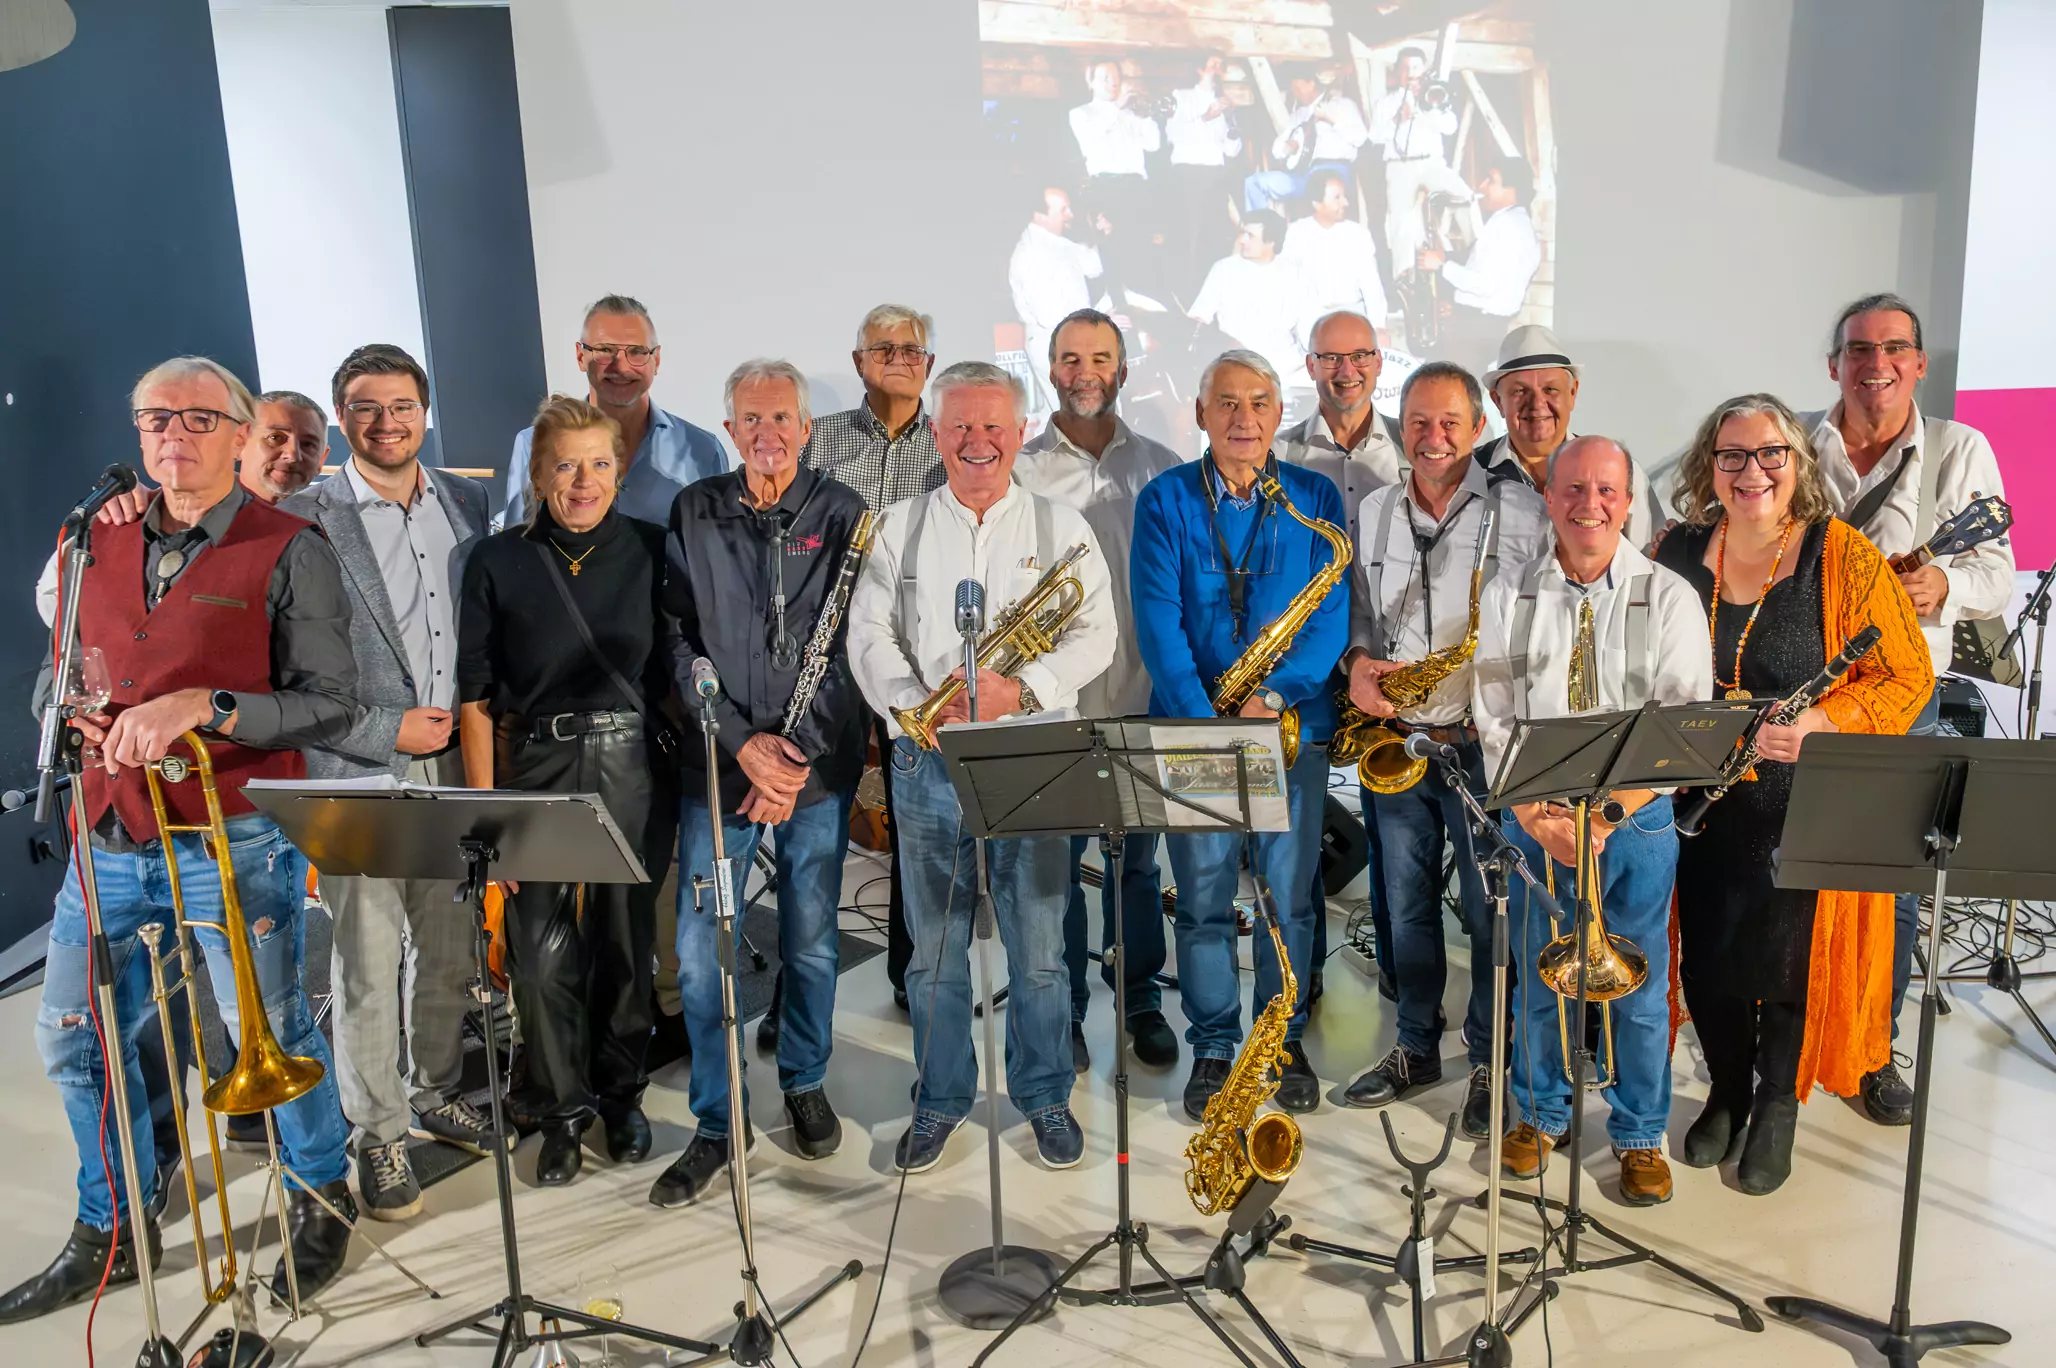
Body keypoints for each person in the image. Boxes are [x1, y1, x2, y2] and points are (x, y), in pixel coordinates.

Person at [0, 358, 360, 1324]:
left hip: (234, 840)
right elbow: (54, 673)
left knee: (271, 1035)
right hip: (108, 836)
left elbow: (331, 705)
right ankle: (108, 1231)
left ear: (242, 436)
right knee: (72, 1038)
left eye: (200, 418)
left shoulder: (292, 545)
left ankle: (325, 1196)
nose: (174, 433)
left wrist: (213, 703)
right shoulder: (88, 543)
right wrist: (65, 712)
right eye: (156, 416)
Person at [1653, 393, 1930, 1195]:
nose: (1752, 471)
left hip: (1801, 807)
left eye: (1770, 453)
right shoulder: (1674, 549)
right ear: (1710, 465)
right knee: (1706, 955)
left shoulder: (1839, 555)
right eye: (1733, 455)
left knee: (1786, 960)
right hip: (1694, 802)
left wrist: (1827, 720)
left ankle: (1778, 1104)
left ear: (1798, 464)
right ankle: (1729, 1092)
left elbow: (1907, 672)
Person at [846, 361, 1116, 1173]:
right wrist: (913, 705)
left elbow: (1094, 635)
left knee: (1039, 950)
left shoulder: (1061, 525)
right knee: (933, 952)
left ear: (1021, 431)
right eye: (960, 426)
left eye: (994, 426)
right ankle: (940, 1099)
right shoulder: (896, 526)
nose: (977, 442)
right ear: (935, 434)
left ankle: (1043, 1096)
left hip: (1030, 755)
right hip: (929, 759)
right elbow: (867, 635)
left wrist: (1020, 690)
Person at [281, 344, 497, 1221]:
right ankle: (378, 1135)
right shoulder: (304, 517)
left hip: (453, 761)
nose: (387, 422)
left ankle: (435, 1084)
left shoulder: (466, 500)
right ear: (343, 419)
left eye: (402, 404)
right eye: (367, 407)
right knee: (368, 960)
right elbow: (290, 673)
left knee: (448, 944)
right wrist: (382, 730)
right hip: (357, 768)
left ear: (425, 410)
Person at [648, 361, 868, 1205]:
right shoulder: (693, 509)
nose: (767, 432)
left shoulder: (845, 512)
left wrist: (794, 755)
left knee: (812, 940)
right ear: (731, 428)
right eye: (750, 418)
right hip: (718, 765)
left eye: (782, 417)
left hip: (812, 773)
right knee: (704, 959)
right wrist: (742, 746)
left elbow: (856, 644)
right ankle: (716, 1119)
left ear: (806, 428)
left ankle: (804, 1082)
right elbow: (676, 640)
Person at [1472, 437, 1713, 1206]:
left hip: (1633, 824)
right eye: (1573, 488)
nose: (1590, 504)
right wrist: (1541, 821)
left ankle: (1640, 1133)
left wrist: (1605, 815)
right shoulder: (1508, 593)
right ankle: (1540, 1115)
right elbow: (1492, 716)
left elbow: (1681, 724)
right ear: (1549, 498)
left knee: (1639, 986)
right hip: (1535, 818)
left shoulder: (1670, 596)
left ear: (1629, 503)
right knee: (1539, 976)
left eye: (1606, 490)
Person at [1801, 293, 2015, 1128]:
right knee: (1786, 873)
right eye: (1858, 348)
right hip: (1800, 696)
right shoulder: (1797, 447)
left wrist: (1945, 585)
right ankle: (1778, 1034)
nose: (1876, 363)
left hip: (1900, 701)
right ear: (1834, 365)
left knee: (1887, 887)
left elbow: (1996, 570)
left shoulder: (1960, 450)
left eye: (1894, 348)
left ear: (1920, 363)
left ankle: (1871, 1049)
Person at [457, 395, 678, 1187]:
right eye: (566, 465)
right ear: (538, 471)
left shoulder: (652, 549)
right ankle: (559, 1109)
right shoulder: (495, 560)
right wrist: (486, 816)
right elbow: (475, 697)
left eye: (599, 464)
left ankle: (622, 1095)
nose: (583, 481)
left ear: (619, 470)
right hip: (534, 769)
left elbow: (672, 674)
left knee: (627, 943)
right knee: (541, 952)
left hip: (628, 766)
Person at [1131, 348, 1345, 1123]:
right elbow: (1158, 621)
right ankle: (1217, 1043)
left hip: (1291, 730)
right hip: (1196, 731)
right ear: (1199, 413)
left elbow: (1331, 617)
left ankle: (1280, 1038)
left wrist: (1279, 694)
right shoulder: (1163, 500)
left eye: (1259, 402)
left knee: (1291, 902)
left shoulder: (1314, 497)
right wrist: (1207, 719)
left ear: (1277, 415)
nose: (1243, 418)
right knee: (1203, 903)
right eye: (1226, 402)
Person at [1341, 361, 1549, 1139]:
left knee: (1493, 917)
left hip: (1482, 745)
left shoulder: (1522, 513)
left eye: (1450, 424)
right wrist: (1359, 666)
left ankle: (1492, 1059)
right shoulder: (1379, 512)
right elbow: (1363, 614)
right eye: (1419, 423)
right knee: (1405, 906)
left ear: (1477, 429)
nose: (1433, 439)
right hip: (1403, 743)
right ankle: (1415, 1048)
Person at [1014, 310, 1183, 1075]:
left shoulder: (1162, 466)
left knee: (1139, 866)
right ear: (1051, 370)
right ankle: (1071, 1010)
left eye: (1102, 358)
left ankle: (1140, 998)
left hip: (1143, 694)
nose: (1086, 371)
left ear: (1124, 370)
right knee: (1059, 868)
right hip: (1059, 704)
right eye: (1071, 358)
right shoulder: (1020, 472)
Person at [803, 304, 948, 1012]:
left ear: (930, 362)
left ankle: (910, 976)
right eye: (882, 347)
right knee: (817, 837)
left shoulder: (951, 441)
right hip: (826, 662)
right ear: (858, 361)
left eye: (911, 348)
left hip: (916, 666)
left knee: (916, 833)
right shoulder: (818, 440)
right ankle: (806, 995)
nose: (897, 357)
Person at [1276, 310, 1406, 999]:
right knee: (1299, 834)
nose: (1345, 370)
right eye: (1330, 357)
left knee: (1394, 825)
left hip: (1384, 664)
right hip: (1304, 662)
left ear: (1380, 363)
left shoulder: (1409, 454)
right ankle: (1307, 974)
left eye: (1359, 356)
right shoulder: (1283, 454)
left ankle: (1396, 963)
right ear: (1310, 366)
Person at [36, 389, 331, 626]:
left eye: (309, 444)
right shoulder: (151, 512)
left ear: (323, 458)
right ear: (238, 442)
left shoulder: (330, 526)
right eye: (275, 437)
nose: (292, 454)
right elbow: (55, 595)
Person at [502, 294, 727, 526]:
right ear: (581, 356)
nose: (621, 366)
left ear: (656, 360)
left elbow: (714, 550)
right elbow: (516, 545)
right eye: (605, 349)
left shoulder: (703, 451)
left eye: (637, 351)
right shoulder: (532, 443)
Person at [1475, 326, 1666, 548]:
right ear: (1497, 401)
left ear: (1573, 393)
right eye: (1520, 391)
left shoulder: (1620, 471)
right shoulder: (1469, 474)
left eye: (1550, 390)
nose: (1537, 404)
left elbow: (1650, 563)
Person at [1419, 157, 1541, 371]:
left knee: (1434, 387)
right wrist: (1459, 307)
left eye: (1490, 181)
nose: (1482, 186)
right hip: (1479, 325)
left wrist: (1440, 265)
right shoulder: (1513, 222)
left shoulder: (1506, 226)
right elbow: (1491, 283)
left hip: (1475, 332)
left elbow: (1485, 285)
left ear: (1511, 189)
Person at [1189, 211, 1317, 406]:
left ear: (1271, 242)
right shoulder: (1223, 270)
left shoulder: (1295, 275)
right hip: (1235, 369)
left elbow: (1311, 331)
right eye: (1242, 233)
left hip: (1286, 373)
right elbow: (1199, 318)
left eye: (1250, 236)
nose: (1242, 241)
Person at [1368, 47, 1469, 277]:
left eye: (1414, 67)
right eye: (1404, 67)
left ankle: (1478, 248)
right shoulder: (1385, 104)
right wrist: (1397, 120)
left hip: (1431, 164)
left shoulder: (1434, 96)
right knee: (1400, 228)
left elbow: (1450, 127)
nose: (1409, 72)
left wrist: (1426, 110)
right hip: (1398, 167)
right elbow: (1373, 136)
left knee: (1463, 195)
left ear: (1423, 71)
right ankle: (1404, 284)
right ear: (1396, 73)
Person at [1008, 187, 1105, 412]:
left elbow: (1094, 266)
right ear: (1040, 215)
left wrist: (1095, 231)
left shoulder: (1056, 243)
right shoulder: (1030, 254)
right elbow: (1049, 314)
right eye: (1063, 210)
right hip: (1056, 344)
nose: (1069, 215)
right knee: (1079, 420)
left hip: (1073, 342)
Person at [1164, 53, 1245, 279]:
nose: (1218, 70)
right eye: (1213, 65)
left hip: (1215, 175)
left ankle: (1209, 285)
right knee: (1188, 234)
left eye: (1221, 66)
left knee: (1215, 234)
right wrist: (1206, 117)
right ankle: (1185, 285)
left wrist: (1232, 124)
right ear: (1200, 70)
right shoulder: (1181, 97)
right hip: (1187, 173)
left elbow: (1232, 150)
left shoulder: (1226, 102)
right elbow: (1172, 135)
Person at [1244, 67, 1368, 213]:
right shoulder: (1299, 115)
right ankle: (1258, 229)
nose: (1296, 93)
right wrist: (1288, 147)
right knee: (1255, 183)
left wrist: (1330, 120)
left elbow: (1361, 138)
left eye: (1298, 87)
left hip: (1334, 172)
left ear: (1312, 84)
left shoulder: (1343, 105)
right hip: (1304, 175)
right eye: (1293, 89)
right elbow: (1277, 149)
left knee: (1321, 195)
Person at [1281, 169, 1390, 327]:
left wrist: (1379, 326)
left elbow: (1372, 286)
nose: (1345, 203)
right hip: (1313, 317)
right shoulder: (1297, 233)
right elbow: (1287, 281)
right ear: (1317, 204)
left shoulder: (1358, 234)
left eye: (1344, 196)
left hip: (1352, 313)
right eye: (1337, 198)